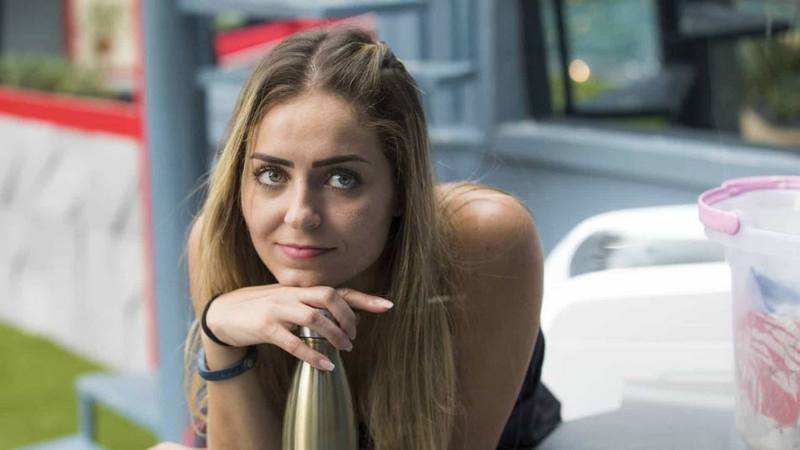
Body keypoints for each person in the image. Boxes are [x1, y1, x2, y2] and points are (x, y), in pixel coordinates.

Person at [150, 27, 560, 450]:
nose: (299, 214)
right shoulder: (223, 243)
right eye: (271, 174)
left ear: (401, 189)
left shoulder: (482, 239)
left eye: (342, 179)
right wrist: (219, 336)